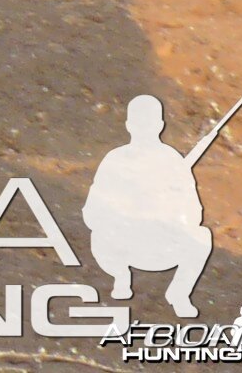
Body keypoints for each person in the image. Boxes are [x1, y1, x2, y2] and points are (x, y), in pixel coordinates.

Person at [83, 96, 215, 317]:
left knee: (201, 236)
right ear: (160, 125)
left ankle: (179, 294)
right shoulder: (116, 160)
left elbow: (193, 213)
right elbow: (93, 212)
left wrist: (165, 207)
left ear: (128, 125)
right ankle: (121, 277)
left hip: (158, 246)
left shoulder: (172, 162)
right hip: (120, 246)